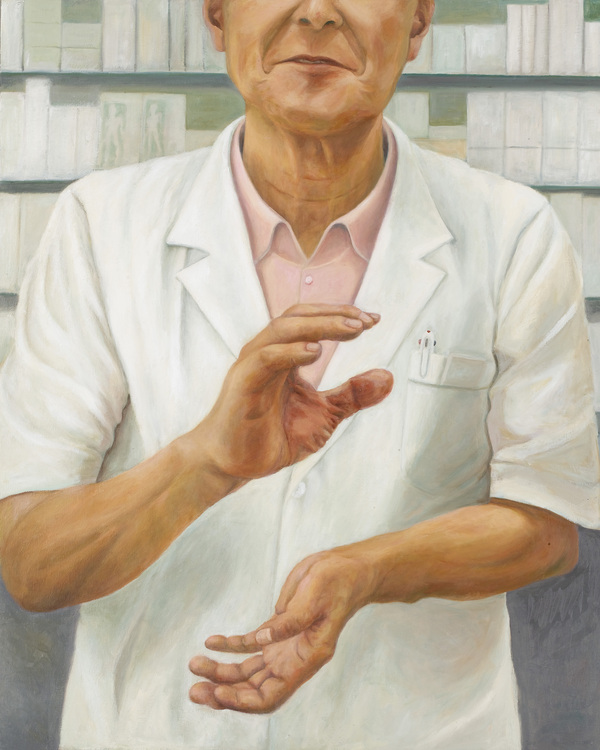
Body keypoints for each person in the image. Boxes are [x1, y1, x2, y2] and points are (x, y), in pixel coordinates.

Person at [0, 0, 598, 748]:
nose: (315, 13)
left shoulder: (513, 233)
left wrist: (369, 570)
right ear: (217, 17)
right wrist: (206, 463)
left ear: (418, 24)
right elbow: (33, 565)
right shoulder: (101, 225)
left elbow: (547, 526)